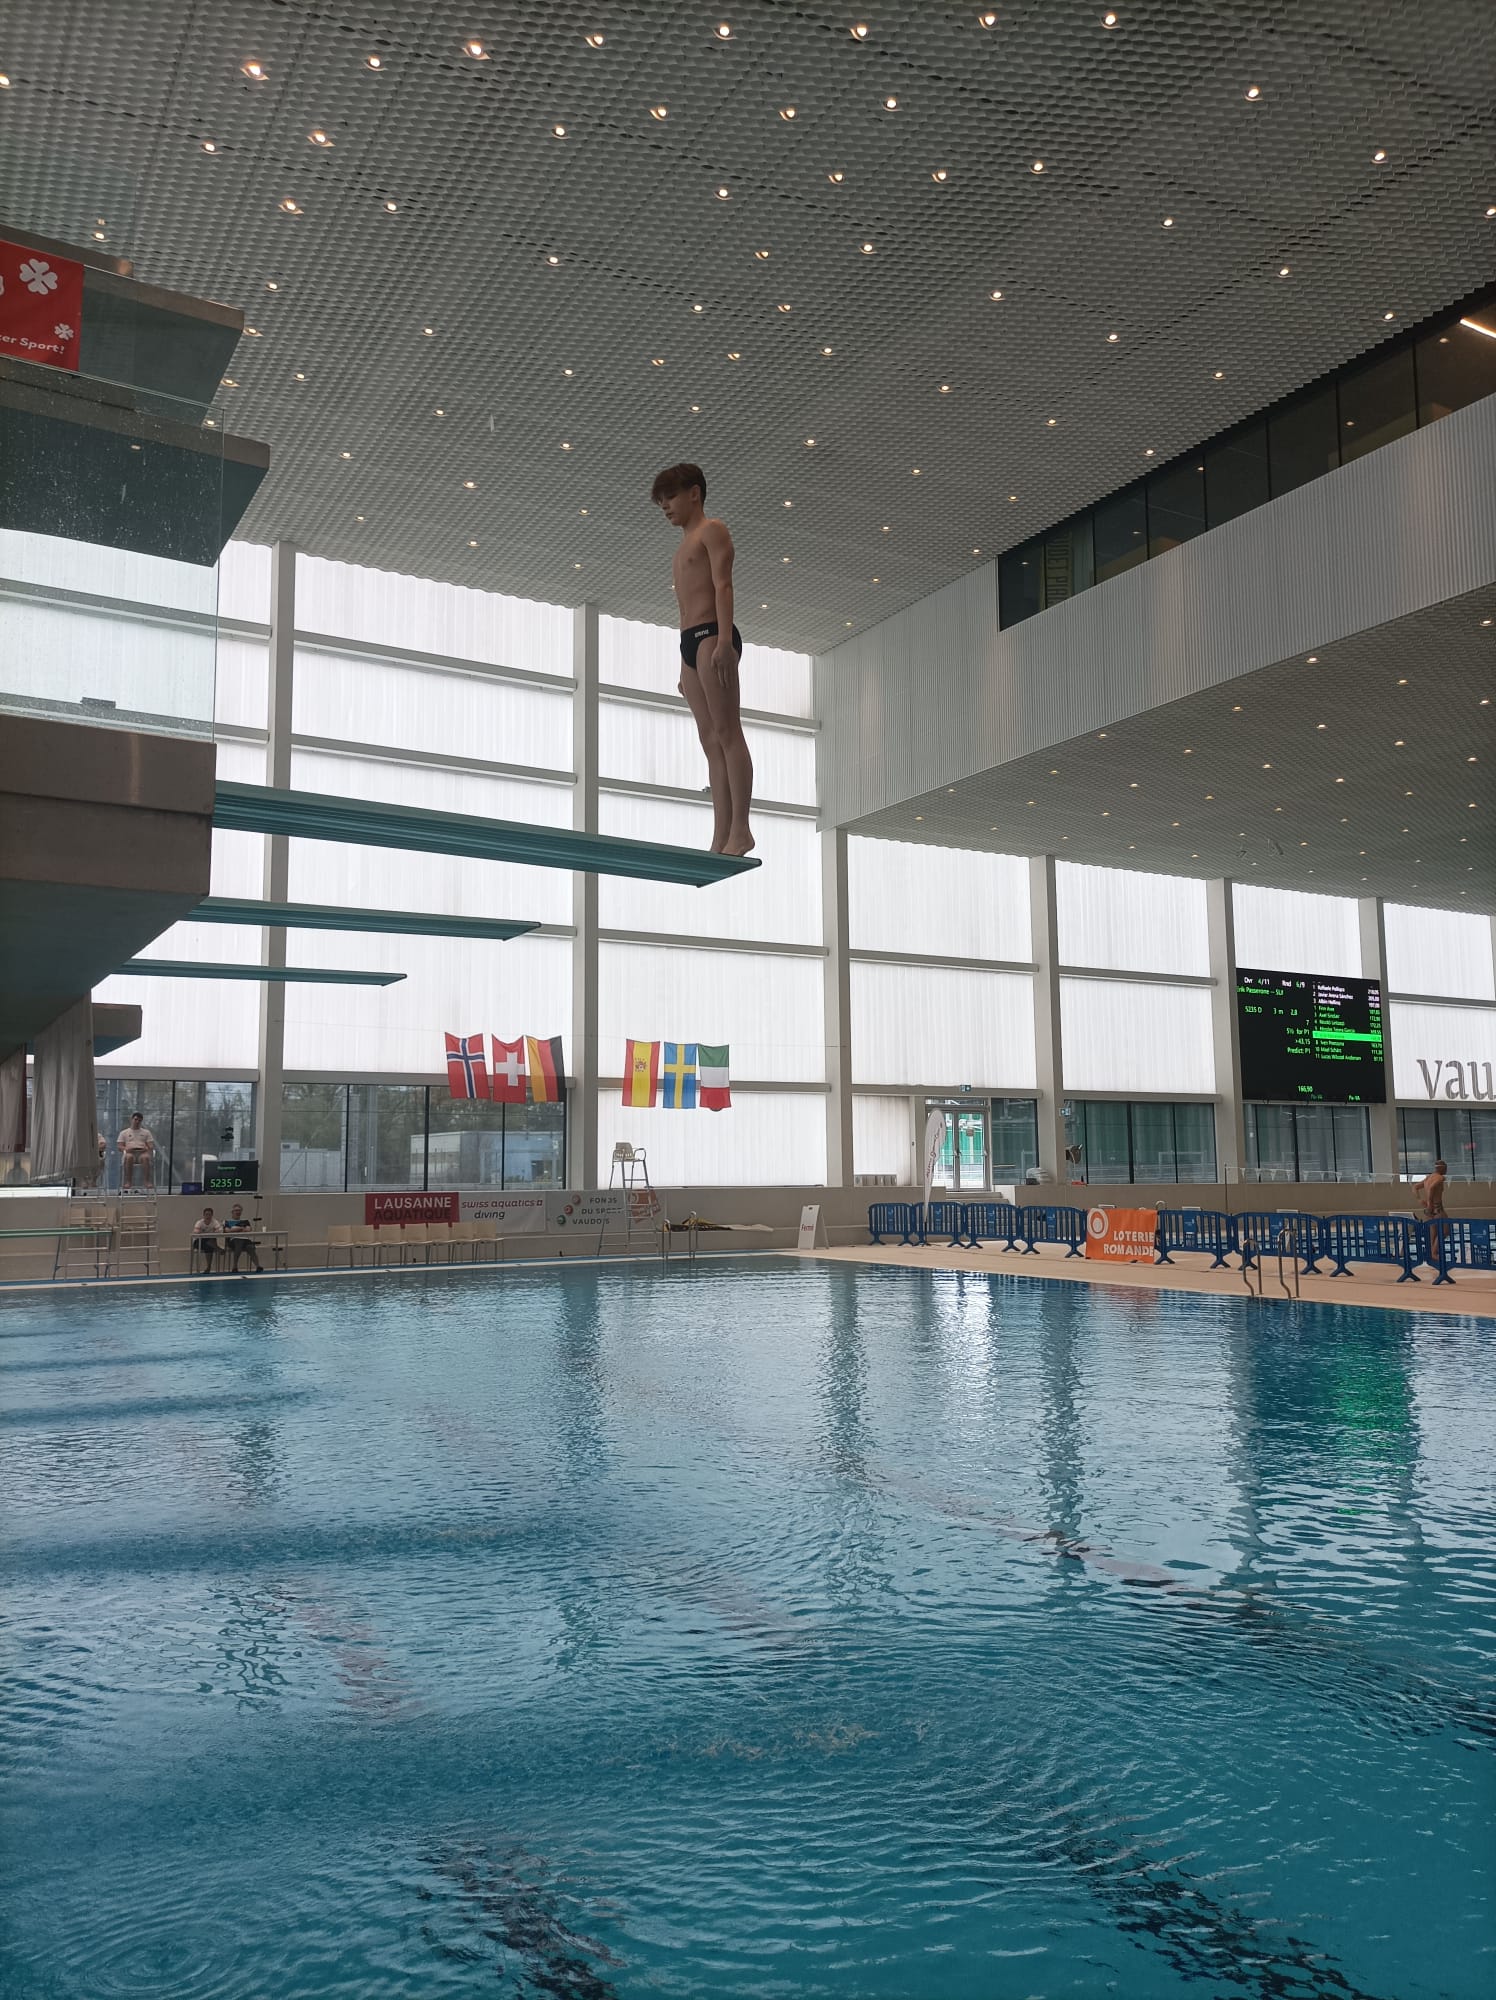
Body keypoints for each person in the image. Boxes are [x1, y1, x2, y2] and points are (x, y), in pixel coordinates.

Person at [651, 462, 755, 856]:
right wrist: (684, 664)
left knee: (728, 733)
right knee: (709, 741)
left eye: (670, 497)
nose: (665, 507)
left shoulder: (713, 530)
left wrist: (725, 642)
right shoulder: (681, 548)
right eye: (661, 502)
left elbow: (723, 585)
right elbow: (683, 610)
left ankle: (741, 829)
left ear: (694, 493)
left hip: (714, 635)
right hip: (689, 644)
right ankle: (721, 833)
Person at [117, 1112, 156, 1190]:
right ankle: (128, 1182)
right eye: (136, 1119)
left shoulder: (146, 1132)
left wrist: (146, 1148)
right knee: (129, 1157)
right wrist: (126, 1149)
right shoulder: (124, 1132)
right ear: (131, 1120)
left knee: (146, 1158)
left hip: (142, 1152)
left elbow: (151, 1145)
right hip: (129, 1152)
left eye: (139, 1120)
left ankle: (146, 1181)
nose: (137, 1121)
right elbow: (119, 1146)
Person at [221, 1202, 264, 1274]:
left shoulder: (245, 1221)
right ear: (232, 1212)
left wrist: (235, 1229)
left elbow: (249, 1229)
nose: (238, 1212)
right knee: (238, 1242)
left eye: (239, 1210)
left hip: (245, 1239)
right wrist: (241, 1228)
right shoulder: (227, 1221)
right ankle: (235, 1266)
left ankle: (258, 1266)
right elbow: (227, 1231)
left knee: (250, 1246)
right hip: (233, 1240)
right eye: (236, 1210)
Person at [191, 1206, 225, 1272]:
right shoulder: (199, 1222)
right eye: (206, 1214)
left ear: (212, 1215)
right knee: (208, 1240)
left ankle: (208, 1267)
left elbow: (220, 1230)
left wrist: (206, 1232)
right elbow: (196, 1232)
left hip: (209, 1244)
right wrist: (210, 1232)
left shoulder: (215, 1222)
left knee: (209, 1247)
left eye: (209, 1214)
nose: (208, 1216)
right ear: (203, 1215)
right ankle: (218, 1249)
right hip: (198, 1242)